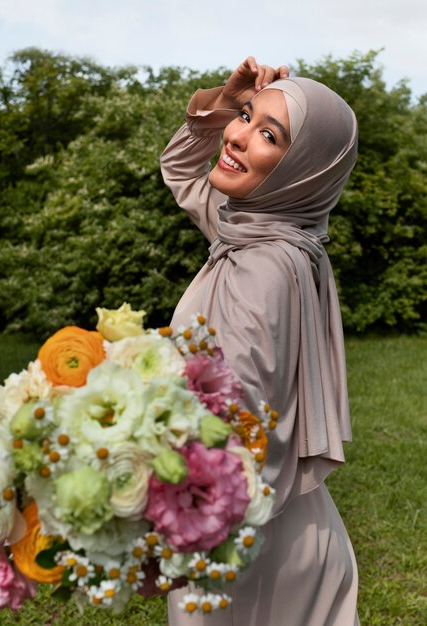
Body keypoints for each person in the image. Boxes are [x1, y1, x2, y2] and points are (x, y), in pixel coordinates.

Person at [160, 57, 360, 625]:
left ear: (303, 168)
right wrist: (223, 101)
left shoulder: (264, 264)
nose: (239, 135)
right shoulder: (265, 226)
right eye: (245, 116)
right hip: (284, 523)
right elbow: (180, 170)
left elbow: (238, 428)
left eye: (269, 135)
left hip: (246, 546)